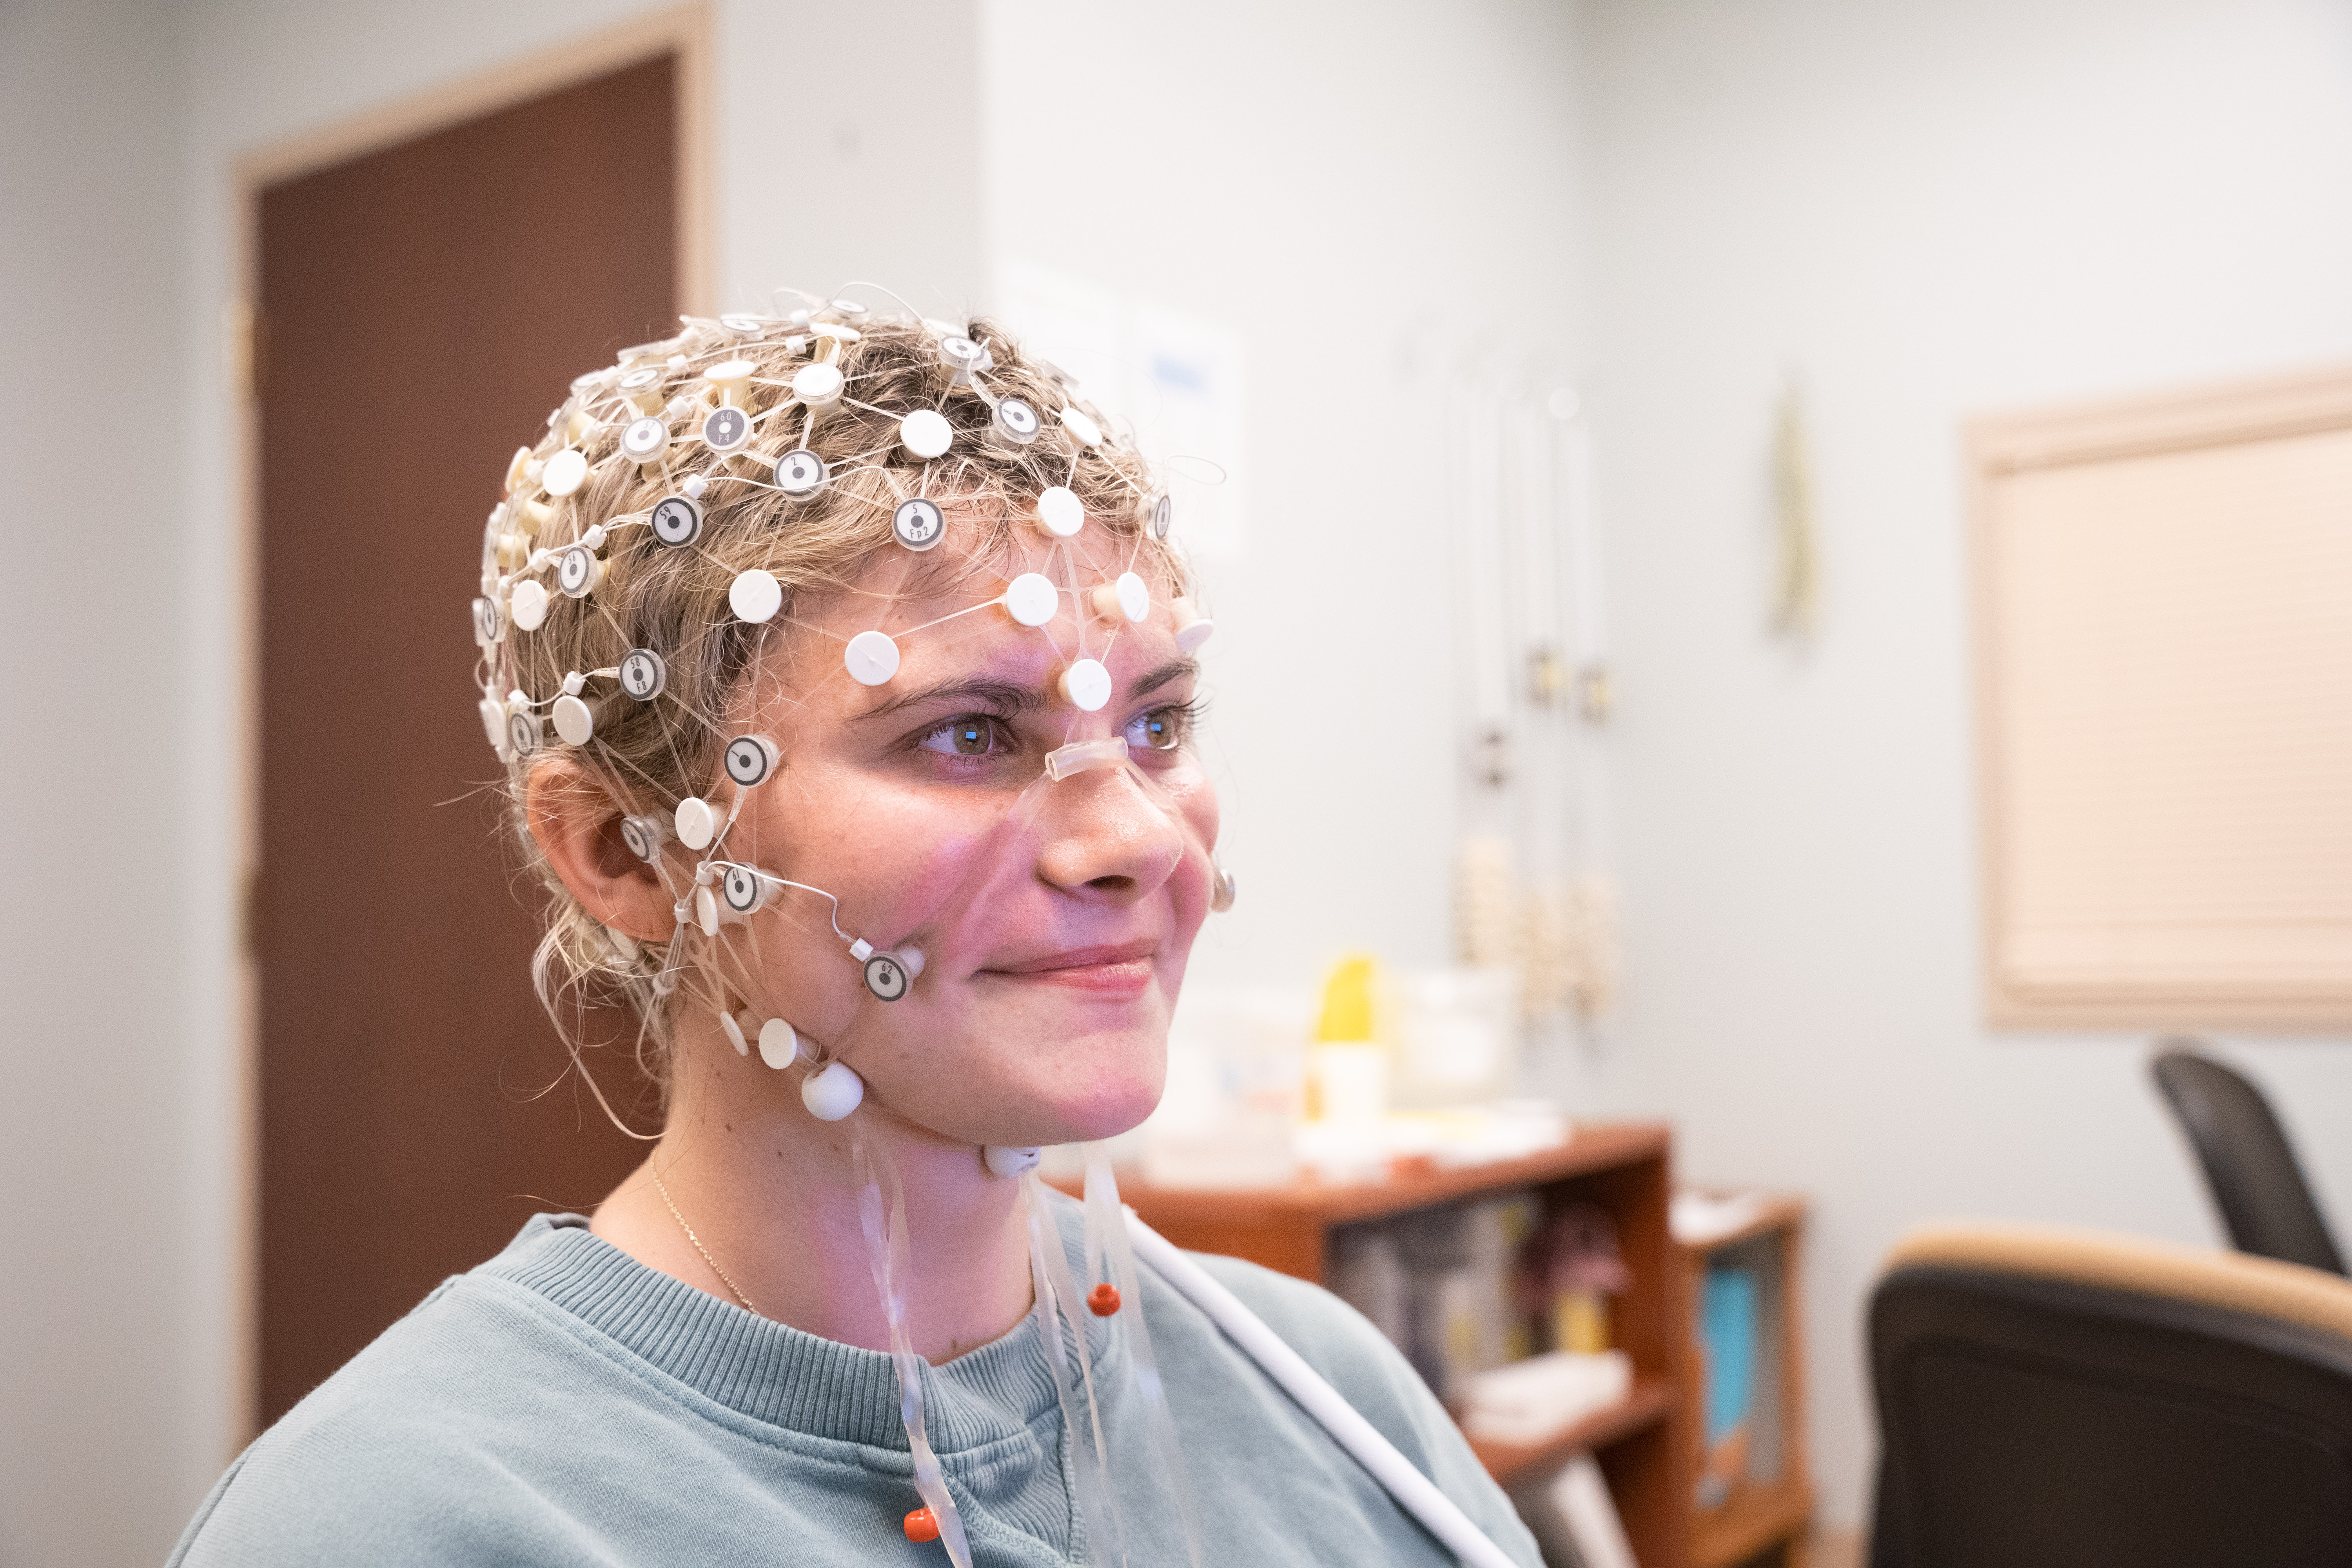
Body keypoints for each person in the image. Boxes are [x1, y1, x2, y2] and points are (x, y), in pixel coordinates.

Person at [169, 293, 1540, 1567]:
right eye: (967, 735)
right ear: (617, 850)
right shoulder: (392, 1526)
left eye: (1158, 725)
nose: (1134, 841)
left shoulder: (1324, 1399)